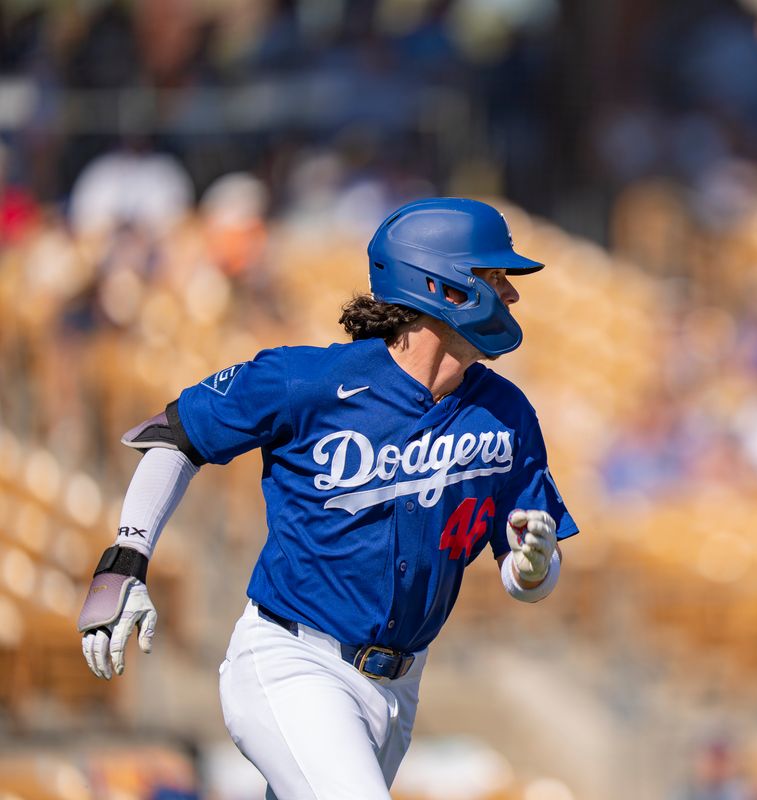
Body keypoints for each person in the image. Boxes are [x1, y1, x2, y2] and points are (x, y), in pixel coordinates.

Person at [77, 197, 579, 798]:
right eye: (496, 279)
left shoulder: (507, 413)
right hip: (293, 661)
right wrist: (126, 558)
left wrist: (533, 566)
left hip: (399, 688)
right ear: (443, 286)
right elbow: (177, 436)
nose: (512, 296)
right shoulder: (308, 382)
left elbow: (526, 579)